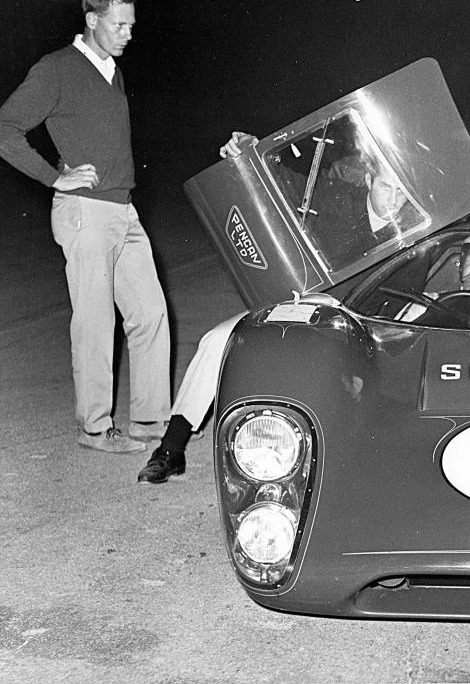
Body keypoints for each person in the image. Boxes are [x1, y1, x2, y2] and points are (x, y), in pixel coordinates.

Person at [138, 130, 417, 482]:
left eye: (400, 192)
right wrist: (248, 153)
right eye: (385, 187)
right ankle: (170, 448)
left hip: (347, 321)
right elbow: (284, 180)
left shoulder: (410, 232)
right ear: (369, 180)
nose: (392, 200)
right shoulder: (339, 197)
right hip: (300, 302)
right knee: (216, 340)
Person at [0, 0, 170, 453]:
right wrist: (54, 178)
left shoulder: (112, 71)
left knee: (151, 313)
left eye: (132, 25)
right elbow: (5, 128)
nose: (128, 33)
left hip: (122, 208)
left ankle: (152, 423)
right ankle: (95, 428)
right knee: (96, 322)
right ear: (92, 20)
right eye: (119, 24)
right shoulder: (56, 69)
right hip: (86, 211)